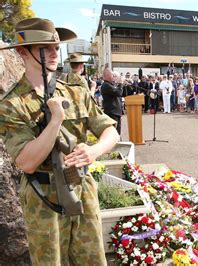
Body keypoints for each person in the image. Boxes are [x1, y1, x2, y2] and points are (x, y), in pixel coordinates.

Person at [0, 18, 119, 265]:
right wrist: (55, 122)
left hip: (82, 188)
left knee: (93, 260)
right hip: (43, 196)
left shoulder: (74, 91)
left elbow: (110, 130)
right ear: (23, 51)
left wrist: (93, 151)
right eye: (45, 48)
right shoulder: (11, 105)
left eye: (56, 46)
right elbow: (26, 162)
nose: (54, 53)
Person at [101, 68, 124, 135]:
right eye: (112, 75)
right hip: (112, 112)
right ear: (107, 76)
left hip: (116, 112)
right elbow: (118, 92)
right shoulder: (106, 85)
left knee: (117, 132)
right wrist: (120, 83)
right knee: (114, 133)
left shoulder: (111, 84)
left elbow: (121, 93)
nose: (113, 76)